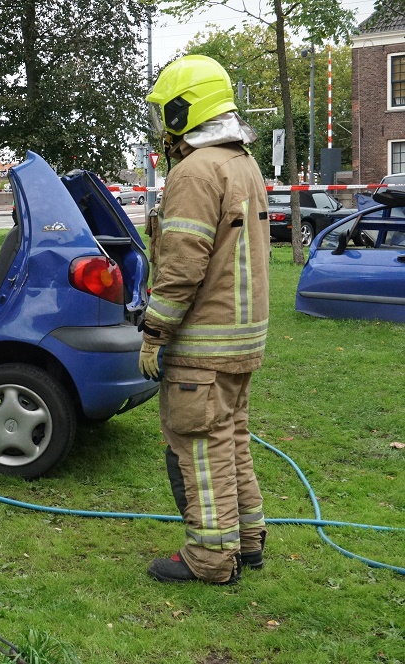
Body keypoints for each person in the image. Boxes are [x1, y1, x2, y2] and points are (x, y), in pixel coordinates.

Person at [141, 54, 269, 584]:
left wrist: (153, 333)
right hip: (242, 338)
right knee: (232, 438)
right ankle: (249, 539)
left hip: (203, 344)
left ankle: (212, 558)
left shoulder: (194, 170)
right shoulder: (243, 163)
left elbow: (183, 265)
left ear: (180, 111)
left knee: (199, 445)